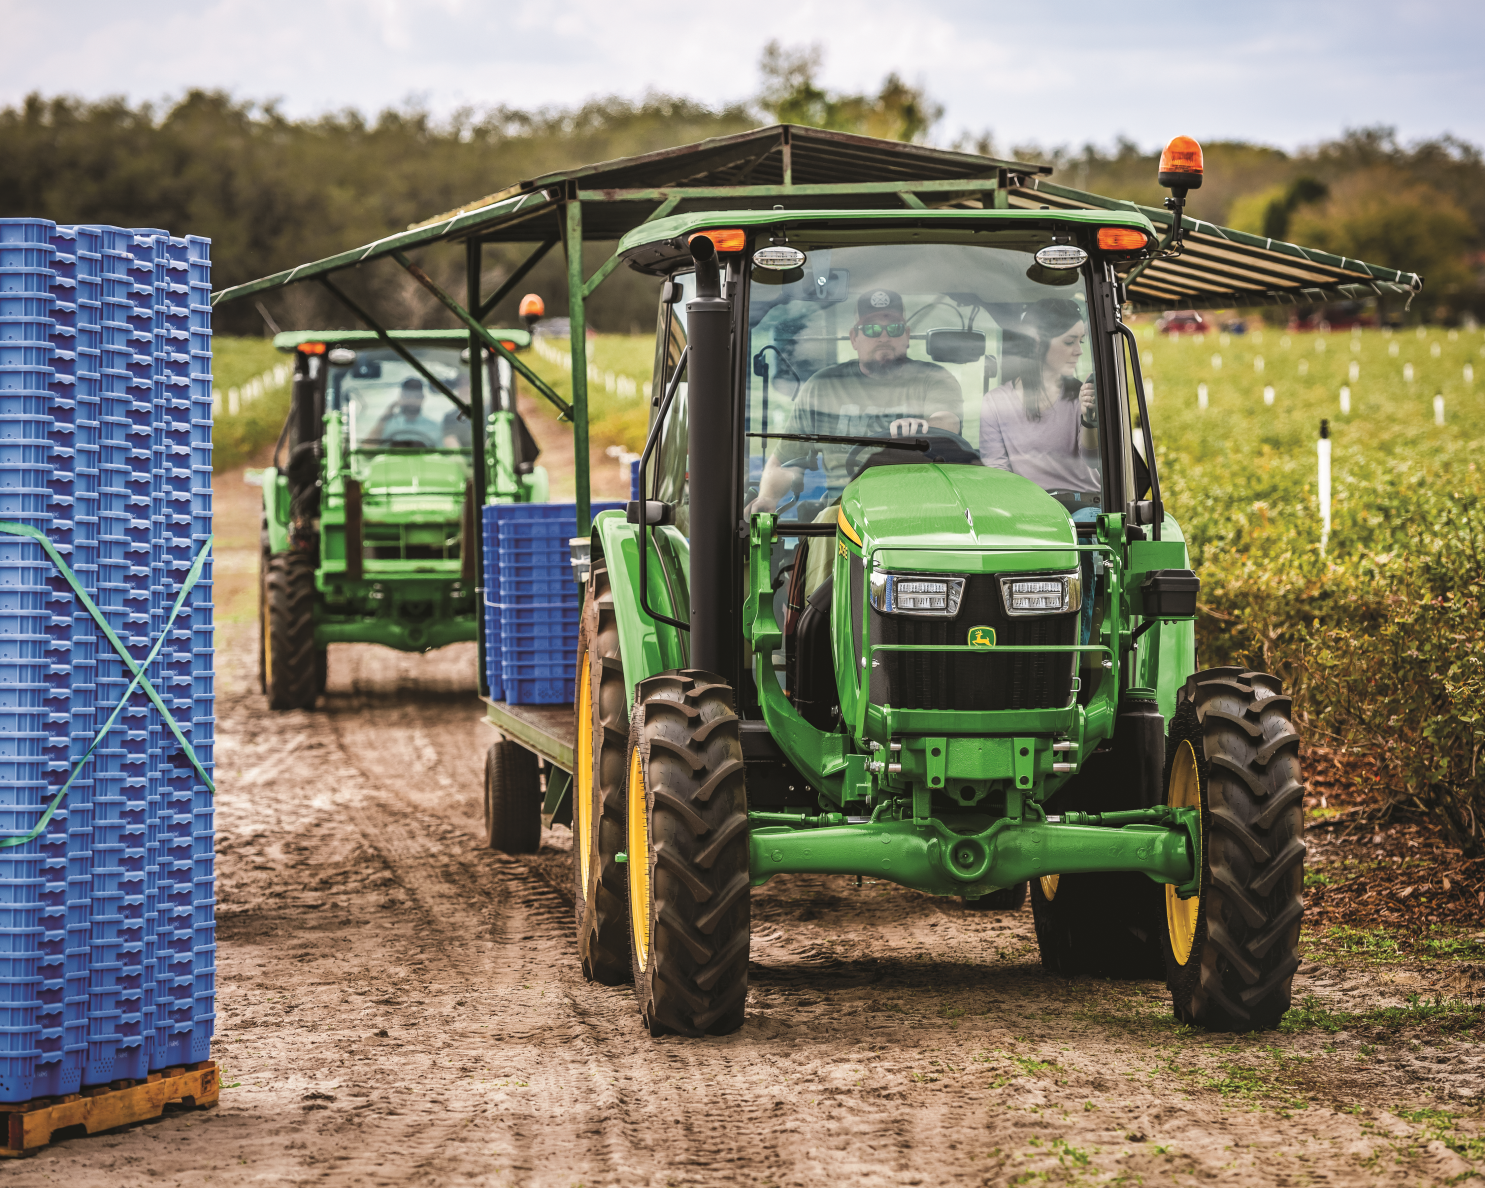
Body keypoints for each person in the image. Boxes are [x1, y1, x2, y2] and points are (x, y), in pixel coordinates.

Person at [751, 289, 964, 513]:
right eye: (871, 329)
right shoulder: (822, 387)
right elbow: (785, 462)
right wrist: (767, 498)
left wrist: (924, 427)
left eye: (894, 328)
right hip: (842, 513)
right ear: (854, 338)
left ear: (907, 335)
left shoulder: (934, 379)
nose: (884, 337)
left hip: (917, 508)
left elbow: (948, 422)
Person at [979, 298, 1100, 495]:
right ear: (1036, 343)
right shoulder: (995, 403)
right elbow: (997, 471)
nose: (1078, 351)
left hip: (1082, 505)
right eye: (1069, 342)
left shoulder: (1082, 396)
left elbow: (1092, 460)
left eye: (1081, 341)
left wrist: (1089, 420)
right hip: (1030, 507)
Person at [368, 378, 442, 447]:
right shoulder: (386, 424)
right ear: (400, 397)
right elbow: (367, 449)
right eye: (408, 395)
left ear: (423, 398)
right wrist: (384, 418)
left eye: (416, 396)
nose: (412, 400)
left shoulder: (435, 428)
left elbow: (444, 456)